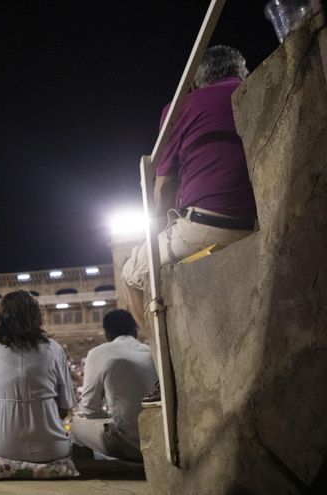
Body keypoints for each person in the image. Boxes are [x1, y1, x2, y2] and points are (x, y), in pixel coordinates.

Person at [121, 45, 258, 336]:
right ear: (241, 72)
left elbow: (163, 187)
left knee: (131, 273)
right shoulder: (255, 89)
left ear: (195, 82)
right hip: (260, 220)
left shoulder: (179, 108)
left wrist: (159, 223)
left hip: (209, 225)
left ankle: (158, 359)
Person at [0, 290, 76, 462]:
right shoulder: (54, 349)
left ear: (1, 317)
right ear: (36, 317)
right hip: (51, 449)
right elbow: (64, 407)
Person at [70, 309, 158, 462]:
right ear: (135, 331)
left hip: (129, 444)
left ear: (107, 335)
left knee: (75, 426)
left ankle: (86, 475)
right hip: (160, 440)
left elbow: (90, 410)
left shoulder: (98, 353)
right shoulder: (152, 351)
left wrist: (112, 418)